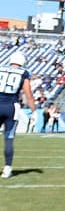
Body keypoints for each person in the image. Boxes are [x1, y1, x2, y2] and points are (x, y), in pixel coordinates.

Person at [0, 51, 37, 179]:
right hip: (11, 106)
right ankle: (7, 168)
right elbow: (28, 94)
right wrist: (34, 111)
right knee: (8, 138)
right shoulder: (23, 73)